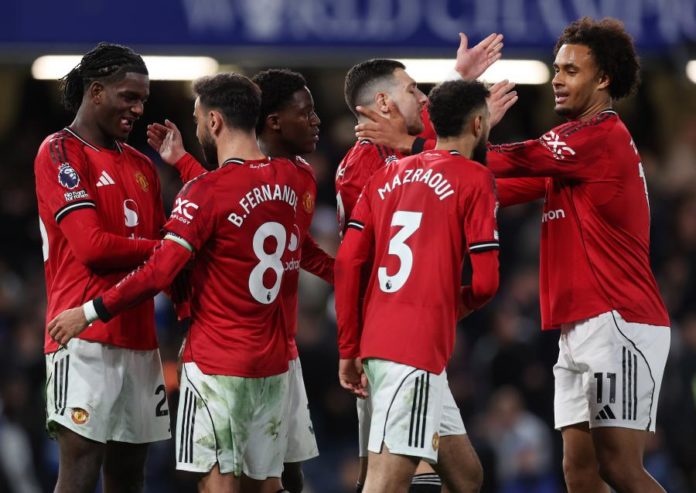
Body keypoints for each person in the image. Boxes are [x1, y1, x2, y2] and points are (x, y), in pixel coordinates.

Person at [48, 72, 312, 493]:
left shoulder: (203, 193)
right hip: (273, 363)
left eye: (197, 118)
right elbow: (236, 199)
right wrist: (185, 162)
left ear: (214, 121)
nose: (197, 127)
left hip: (217, 365)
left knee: (218, 487)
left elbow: (159, 270)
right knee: (268, 485)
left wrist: (90, 311)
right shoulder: (291, 179)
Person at [485, 17, 671, 493]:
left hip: (618, 320)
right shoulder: (571, 154)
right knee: (580, 473)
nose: (557, 79)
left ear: (603, 78)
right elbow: (489, 187)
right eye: (556, 69)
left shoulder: (598, 137)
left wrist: (462, 129)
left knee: (620, 467)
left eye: (571, 70)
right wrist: (423, 156)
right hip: (579, 327)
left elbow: (503, 159)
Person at [337, 34, 512, 493]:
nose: (422, 98)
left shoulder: (390, 166)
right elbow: (357, 263)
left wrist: (461, 80)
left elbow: (350, 258)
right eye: (414, 90)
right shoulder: (371, 164)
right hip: (401, 341)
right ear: (384, 103)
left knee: (465, 476)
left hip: (393, 338)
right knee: (388, 481)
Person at [146, 68, 333, 493]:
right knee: (274, 478)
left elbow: (230, 206)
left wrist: (92, 310)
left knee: (264, 478)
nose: (316, 121)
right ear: (272, 122)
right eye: (306, 113)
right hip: (268, 354)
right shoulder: (295, 180)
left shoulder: (289, 177)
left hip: (245, 355)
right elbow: (232, 208)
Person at [33, 42, 170, 493]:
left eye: (143, 100)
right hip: (82, 334)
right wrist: (166, 248)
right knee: (79, 471)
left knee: (130, 476)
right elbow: (91, 247)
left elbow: (165, 259)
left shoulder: (142, 165)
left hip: (139, 335)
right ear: (95, 92)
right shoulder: (60, 152)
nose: (138, 109)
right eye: (129, 97)